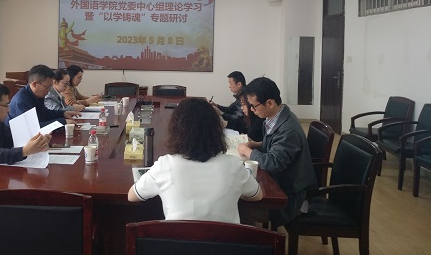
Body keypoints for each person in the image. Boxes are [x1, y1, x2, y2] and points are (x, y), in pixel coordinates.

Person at [128, 97, 262, 223]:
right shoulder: (233, 165)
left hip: (177, 240)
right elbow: (257, 195)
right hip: (224, 240)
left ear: (176, 131)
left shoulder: (165, 165)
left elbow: (132, 196)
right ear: (216, 131)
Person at [237, 77, 317, 227]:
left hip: (289, 198)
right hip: (278, 184)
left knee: (238, 207)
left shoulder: (288, 130)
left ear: (270, 103)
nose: (252, 110)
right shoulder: (276, 117)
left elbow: (273, 163)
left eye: (254, 106)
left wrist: (247, 150)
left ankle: (258, 240)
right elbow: (275, 146)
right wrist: (256, 145)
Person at [6, 64, 80, 127]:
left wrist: (63, 114)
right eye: (47, 87)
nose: (49, 90)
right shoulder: (22, 100)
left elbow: (44, 113)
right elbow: (33, 127)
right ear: (35, 84)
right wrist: (63, 122)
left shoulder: (38, 94)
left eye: (50, 86)